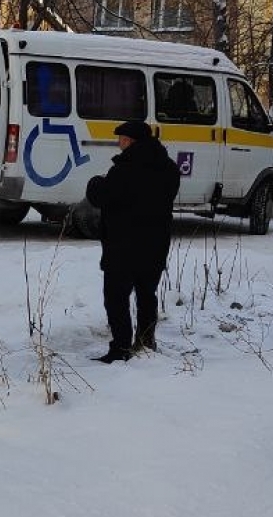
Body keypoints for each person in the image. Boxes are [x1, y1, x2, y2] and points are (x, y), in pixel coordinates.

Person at [85, 119, 181, 363]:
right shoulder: (168, 168)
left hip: (123, 245)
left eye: (121, 139)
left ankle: (120, 348)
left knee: (116, 297)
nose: (119, 143)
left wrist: (95, 182)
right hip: (156, 243)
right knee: (147, 293)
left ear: (130, 141)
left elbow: (103, 197)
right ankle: (146, 341)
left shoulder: (124, 169)